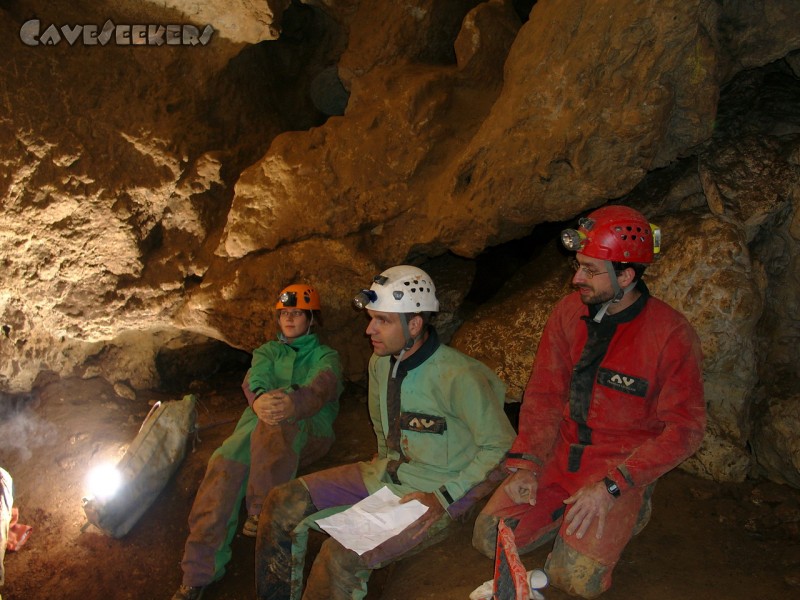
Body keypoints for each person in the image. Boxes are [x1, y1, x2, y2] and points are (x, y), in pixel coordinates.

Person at [473, 205, 707, 599]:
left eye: (590, 270)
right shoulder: (568, 314)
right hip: (562, 454)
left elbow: (686, 430)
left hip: (618, 465)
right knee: (489, 537)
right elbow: (545, 395)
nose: (575, 278)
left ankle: (634, 504)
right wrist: (527, 465)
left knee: (575, 578)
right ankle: (567, 511)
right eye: (579, 265)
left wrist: (614, 486)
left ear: (627, 275)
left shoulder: (670, 334)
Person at [255, 265, 517, 600]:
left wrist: (445, 497)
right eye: (371, 318)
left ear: (414, 324)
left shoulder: (459, 376)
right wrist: (382, 459)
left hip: (431, 492)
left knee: (338, 558)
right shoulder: (380, 363)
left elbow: (502, 444)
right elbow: (382, 424)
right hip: (385, 473)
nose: (369, 330)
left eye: (383, 320)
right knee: (281, 502)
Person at [172, 284, 343, 600]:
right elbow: (255, 379)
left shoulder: (325, 356)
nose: (289, 319)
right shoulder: (267, 351)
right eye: (284, 314)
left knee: (277, 422)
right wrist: (260, 399)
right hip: (254, 430)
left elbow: (322, 386)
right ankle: (197, 574)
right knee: (222, 466)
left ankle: (263, 509)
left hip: (307, 430)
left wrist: (292, 403)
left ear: (310, 319)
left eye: (297, 313)